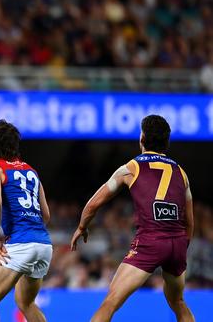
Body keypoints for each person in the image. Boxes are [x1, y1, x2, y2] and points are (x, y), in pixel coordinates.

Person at [71, 115, 195, 322]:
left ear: (142, 138)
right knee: (178, 302)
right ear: (167, 142)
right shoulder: (181, 173)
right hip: (177, 243)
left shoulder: (131, 168)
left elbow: (93, 204)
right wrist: (181, 247)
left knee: (111, 302)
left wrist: (82, 226)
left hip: (150, 242)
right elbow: (189, 222)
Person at [0, 120, 52, 322]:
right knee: (26, 303)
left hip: (21, 243)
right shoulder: (32, 171)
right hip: (43, 244)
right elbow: (46, 215)